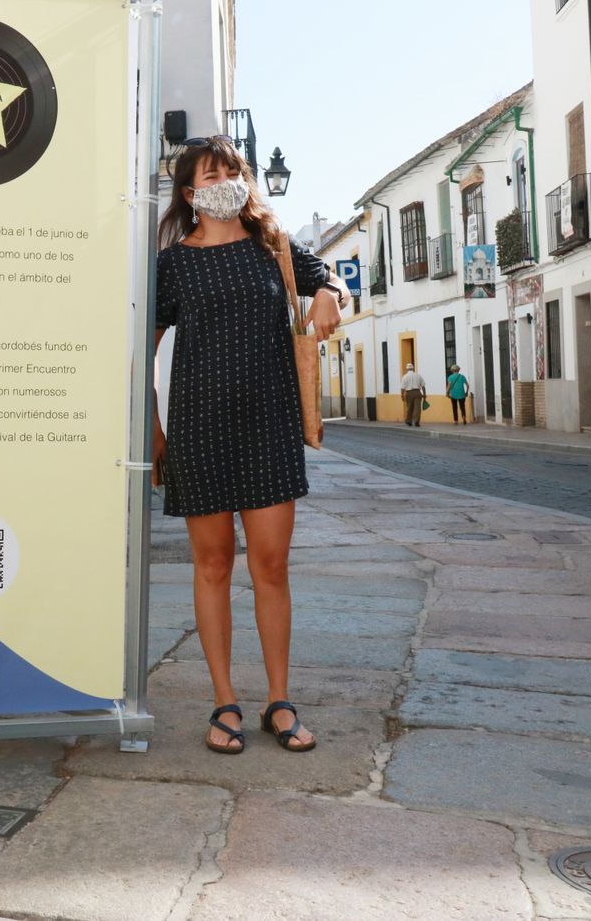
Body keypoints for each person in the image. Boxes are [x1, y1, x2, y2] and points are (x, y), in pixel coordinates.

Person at [152, 136, 349, 756]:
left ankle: (279, 701)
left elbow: (336, 287)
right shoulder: (173, 264)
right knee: (211, 566)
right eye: (209, 175)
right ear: (189, 193)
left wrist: (326, 293)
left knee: (271, 567)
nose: (223, 181)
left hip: (269, 425)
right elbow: (145, 348)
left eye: (231, 170)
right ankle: (224, 701)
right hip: (198, 427)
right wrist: (152, 431)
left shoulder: (276, 248)